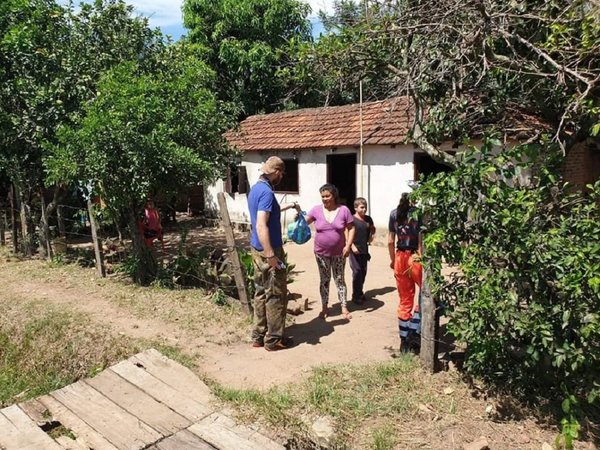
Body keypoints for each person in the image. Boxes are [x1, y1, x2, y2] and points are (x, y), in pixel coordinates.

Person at [247, 156, 301, 351]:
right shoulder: (267, 193)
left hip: (256, 248)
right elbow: (261, 224)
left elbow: (264, 215)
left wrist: (288, 207)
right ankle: (274, 339)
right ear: (276, 172)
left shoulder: (256, 189)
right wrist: (271, 255)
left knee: (260, 290)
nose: (281, 177)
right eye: (281, 173)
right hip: (268, 249)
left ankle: (258, 336)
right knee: (276, 293)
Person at [305, 184, 356, 320]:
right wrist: (298, 219)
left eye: (327, 196)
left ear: (334, 196)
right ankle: (324, 307)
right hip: (321, 253)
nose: (325, 199)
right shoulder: (316, 210)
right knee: (324, 280)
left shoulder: (344, 210)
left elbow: (351, 228)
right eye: (322, 196)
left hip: (339, 252)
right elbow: (304, 222)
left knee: (339, 279)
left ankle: (344, 307)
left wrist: (348, 245)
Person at [388, 192, 422, 352]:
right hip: (415, 256)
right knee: (427, 294)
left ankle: (404, 341)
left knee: (405, 300)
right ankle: (414, 332)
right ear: (414, 200)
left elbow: (390, 240)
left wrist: (393, 260)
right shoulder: (419, 213)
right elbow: (421, 240)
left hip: (400, 257)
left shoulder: (394, 214)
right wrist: (421, 258)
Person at [349, 197, 376, 305]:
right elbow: (346, 233)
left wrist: (371, 236)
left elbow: (372, 230)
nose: (364, 209)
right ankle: (355, 296)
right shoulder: (352, 220)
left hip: (364, 250)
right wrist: (351, 246)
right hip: (354, 250)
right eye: (362, 207)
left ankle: (359, 292)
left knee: (363, 272)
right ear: (355, 208)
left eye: (365, 207)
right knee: (357, 272)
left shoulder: (368, 219)